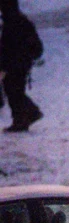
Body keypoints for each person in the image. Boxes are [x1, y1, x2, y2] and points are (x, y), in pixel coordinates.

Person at [0, 0, 43, 132]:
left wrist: (3, 65)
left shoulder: (11, 23)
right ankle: (25, 116)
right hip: (22, 62)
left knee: (13, 91)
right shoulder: (20, 20)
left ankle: (25, 117)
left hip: (16, 63)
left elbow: (7, 47)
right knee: (15, 90)